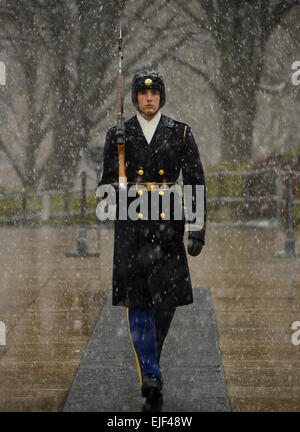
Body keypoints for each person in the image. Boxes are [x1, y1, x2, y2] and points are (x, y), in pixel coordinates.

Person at [98, 70, 206, 410]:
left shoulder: (180, 133)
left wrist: (197, 226)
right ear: (134, 97)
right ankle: (150, 373)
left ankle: (150, 365)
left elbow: (194, 181)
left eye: (155, 92)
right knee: (139, 300)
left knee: (166, 302)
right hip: (132, 228)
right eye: (143, 93)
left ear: (162, 96)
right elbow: (104, 189)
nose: (149, 98)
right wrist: (115, 191)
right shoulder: (119, 134)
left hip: (168, 226)